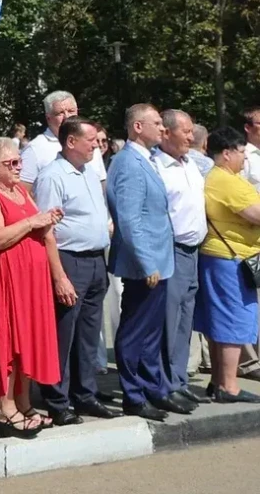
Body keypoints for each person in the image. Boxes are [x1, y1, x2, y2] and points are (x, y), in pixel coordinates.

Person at [107, 104, 194, 420]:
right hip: (145, 265)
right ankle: (133, 395)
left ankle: (153, 389)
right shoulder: (129, 163)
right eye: (157, 123)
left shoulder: (146, 160)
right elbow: (128, 220)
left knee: (152, 332)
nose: (163, 128)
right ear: (138, 127)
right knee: (135, 330)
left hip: (159, 259)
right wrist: (146, 263)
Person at [33, 117, 119, 425]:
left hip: (96, 260)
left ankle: (85, 394)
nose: (96, 145)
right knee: (63, 334)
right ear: (71, 142)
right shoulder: (53, 176)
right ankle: (58, 399)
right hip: (70, 261)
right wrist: (58, 275)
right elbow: (46, 231)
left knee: (88, 334)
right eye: (91, 140)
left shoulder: (88, 172)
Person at [0, 137, 61, 437]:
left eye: (18, 161)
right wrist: (33, 223)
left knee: (28, 341)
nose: (17, 166)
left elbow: (36, 224)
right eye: (10, 163)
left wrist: (46, 221)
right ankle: (5, 408)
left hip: (31, 281)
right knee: (8, 342)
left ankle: (23, 403)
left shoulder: (22, 191)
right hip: (7, 280)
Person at [195, 127, 260, 403]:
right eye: (241, 152)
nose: (245, 158)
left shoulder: (226, 177)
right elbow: (256, 214)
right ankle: (229, 386)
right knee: (234, 320)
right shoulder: (224, 180)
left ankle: (219, 381)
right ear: (226, 154)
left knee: (220, 321)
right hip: (229, 260)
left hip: (223, 258)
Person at [153, 110, 209, 406]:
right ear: (167, 133)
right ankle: (164, 384)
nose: (192, 136)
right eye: (185, 131)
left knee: (185, 320)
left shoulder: (190, 164)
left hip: (193, 251)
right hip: (171, 252)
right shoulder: (156, 167)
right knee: (168, 321)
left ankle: (178, 379)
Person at [21, 90, 107, 194]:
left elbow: (102, 185)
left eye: (71, 111)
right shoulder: (34, 149)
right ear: (48, 118)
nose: (67, 117)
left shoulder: (91, 144)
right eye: (60, 113)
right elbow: (23, 193)